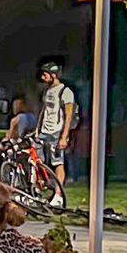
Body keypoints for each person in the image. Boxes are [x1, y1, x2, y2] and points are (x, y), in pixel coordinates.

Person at [35, 60, 77, 211]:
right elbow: (44, 111)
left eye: (45, 74)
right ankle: (41, 189)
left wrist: (64, 135)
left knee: (57, 162)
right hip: (43, 132)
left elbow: (68, 115)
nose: (42, 77)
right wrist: (37, 130)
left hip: (56, 132)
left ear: (53, 75)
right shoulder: (47, 91)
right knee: (38, 160)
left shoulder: (65, 92)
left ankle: (58, 195)